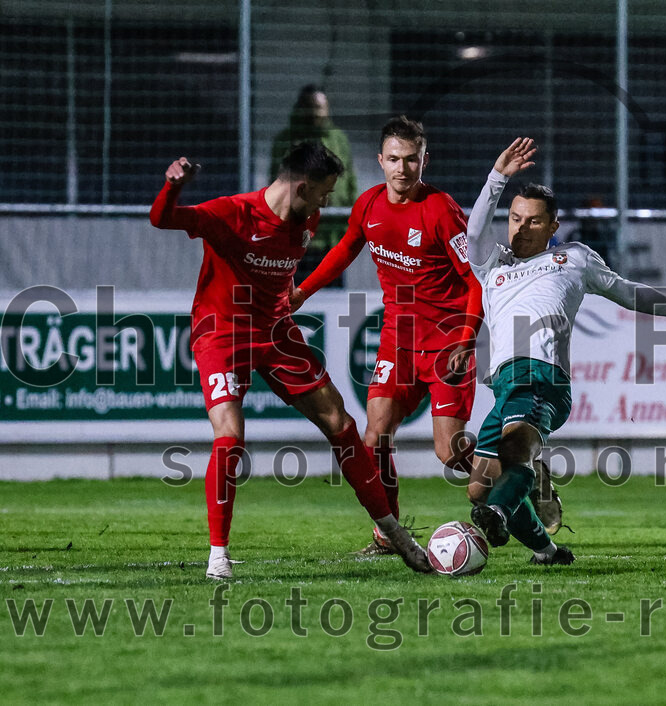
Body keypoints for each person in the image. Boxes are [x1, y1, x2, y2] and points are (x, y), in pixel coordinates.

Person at [149, 141, 431, 578]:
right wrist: (172, 188)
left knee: (342, 424)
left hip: (278, 333)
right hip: (223, 333)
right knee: (230, 437)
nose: (327, 202)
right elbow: (162, 219)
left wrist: (293, 296)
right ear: (302, 187)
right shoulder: (233, 213)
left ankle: (392, 530)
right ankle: (218, 555)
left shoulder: (307, 219)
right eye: (323, 192)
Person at [463, 138, 666, 564]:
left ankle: (500, 510)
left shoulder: (574, 259)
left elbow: (629, 292)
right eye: (516, 219)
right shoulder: (493, 265)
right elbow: (473, 230)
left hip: (542, 377)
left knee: (508, 463)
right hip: (504, 384)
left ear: (554, 226)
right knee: (479, 485)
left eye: (534, 221)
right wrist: (498, 176)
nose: (521, 228)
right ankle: (548, 551)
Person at [291, 116, 483, 555]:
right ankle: (388, 536)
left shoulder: (441, 210)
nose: (402, 168)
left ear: (424, 160)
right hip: (398, 338)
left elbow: (474, 282)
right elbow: (343, 251)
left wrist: (466, 339)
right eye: (394, 159)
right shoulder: (369, 205)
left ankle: (514, 473)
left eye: (411, 159)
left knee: (449, 453)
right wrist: (303, 290)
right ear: (380, 160)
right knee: (374, 438)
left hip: (446, 341)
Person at [270, 85, 359, 282]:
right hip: (297, 237)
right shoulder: (286, 140)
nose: (315, 113)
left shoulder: (338, 139)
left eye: (320, 107)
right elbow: (275, 184)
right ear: (300, 108)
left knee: (332, 298)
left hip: (332, 237)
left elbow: (350, 180)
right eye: (310, 107)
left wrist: (350, 219)